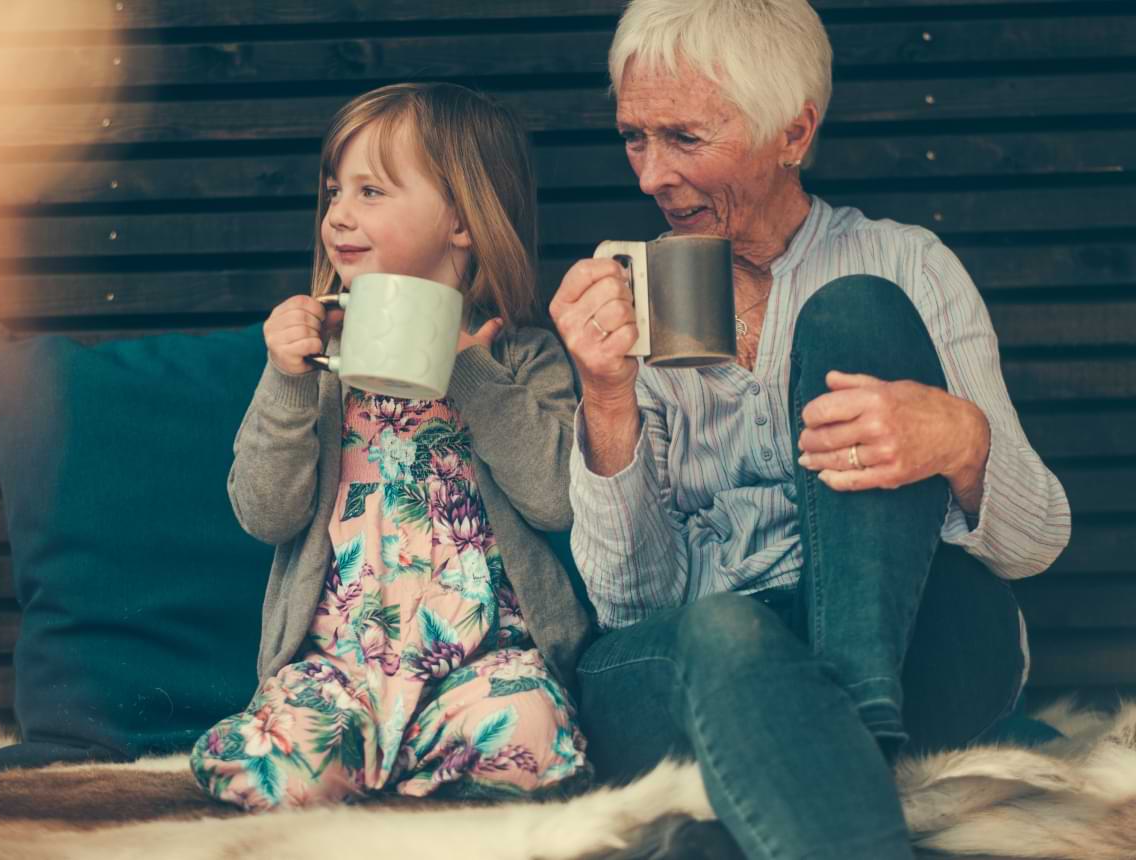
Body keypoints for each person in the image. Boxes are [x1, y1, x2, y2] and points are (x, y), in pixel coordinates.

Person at [549, 1, 1071, 857]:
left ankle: (845, 708)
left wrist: (963, 442)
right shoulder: (627, 292)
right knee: (728, 632)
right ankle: (844, 744)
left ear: (793, 132)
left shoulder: (912, 264)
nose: (648, 175)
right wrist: (606, 396)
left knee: (859, 310)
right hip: (704, 664)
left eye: (683, 138)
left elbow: (1035, 542)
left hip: (907, 648)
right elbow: (632, 605)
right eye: (634, 137)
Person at [192, 82, 591, 810]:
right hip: (337, 668)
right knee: (272, 762)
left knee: (529, 732)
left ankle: (421, 779)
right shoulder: (314, 363)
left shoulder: (523, 360)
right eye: (334, 192)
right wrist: (285, 380)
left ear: (463, 221)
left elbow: (559, 499)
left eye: (370, 190)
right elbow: (264, 513)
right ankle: (384, 778)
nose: (338, 214)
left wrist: (469, 369)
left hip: (483, 664)